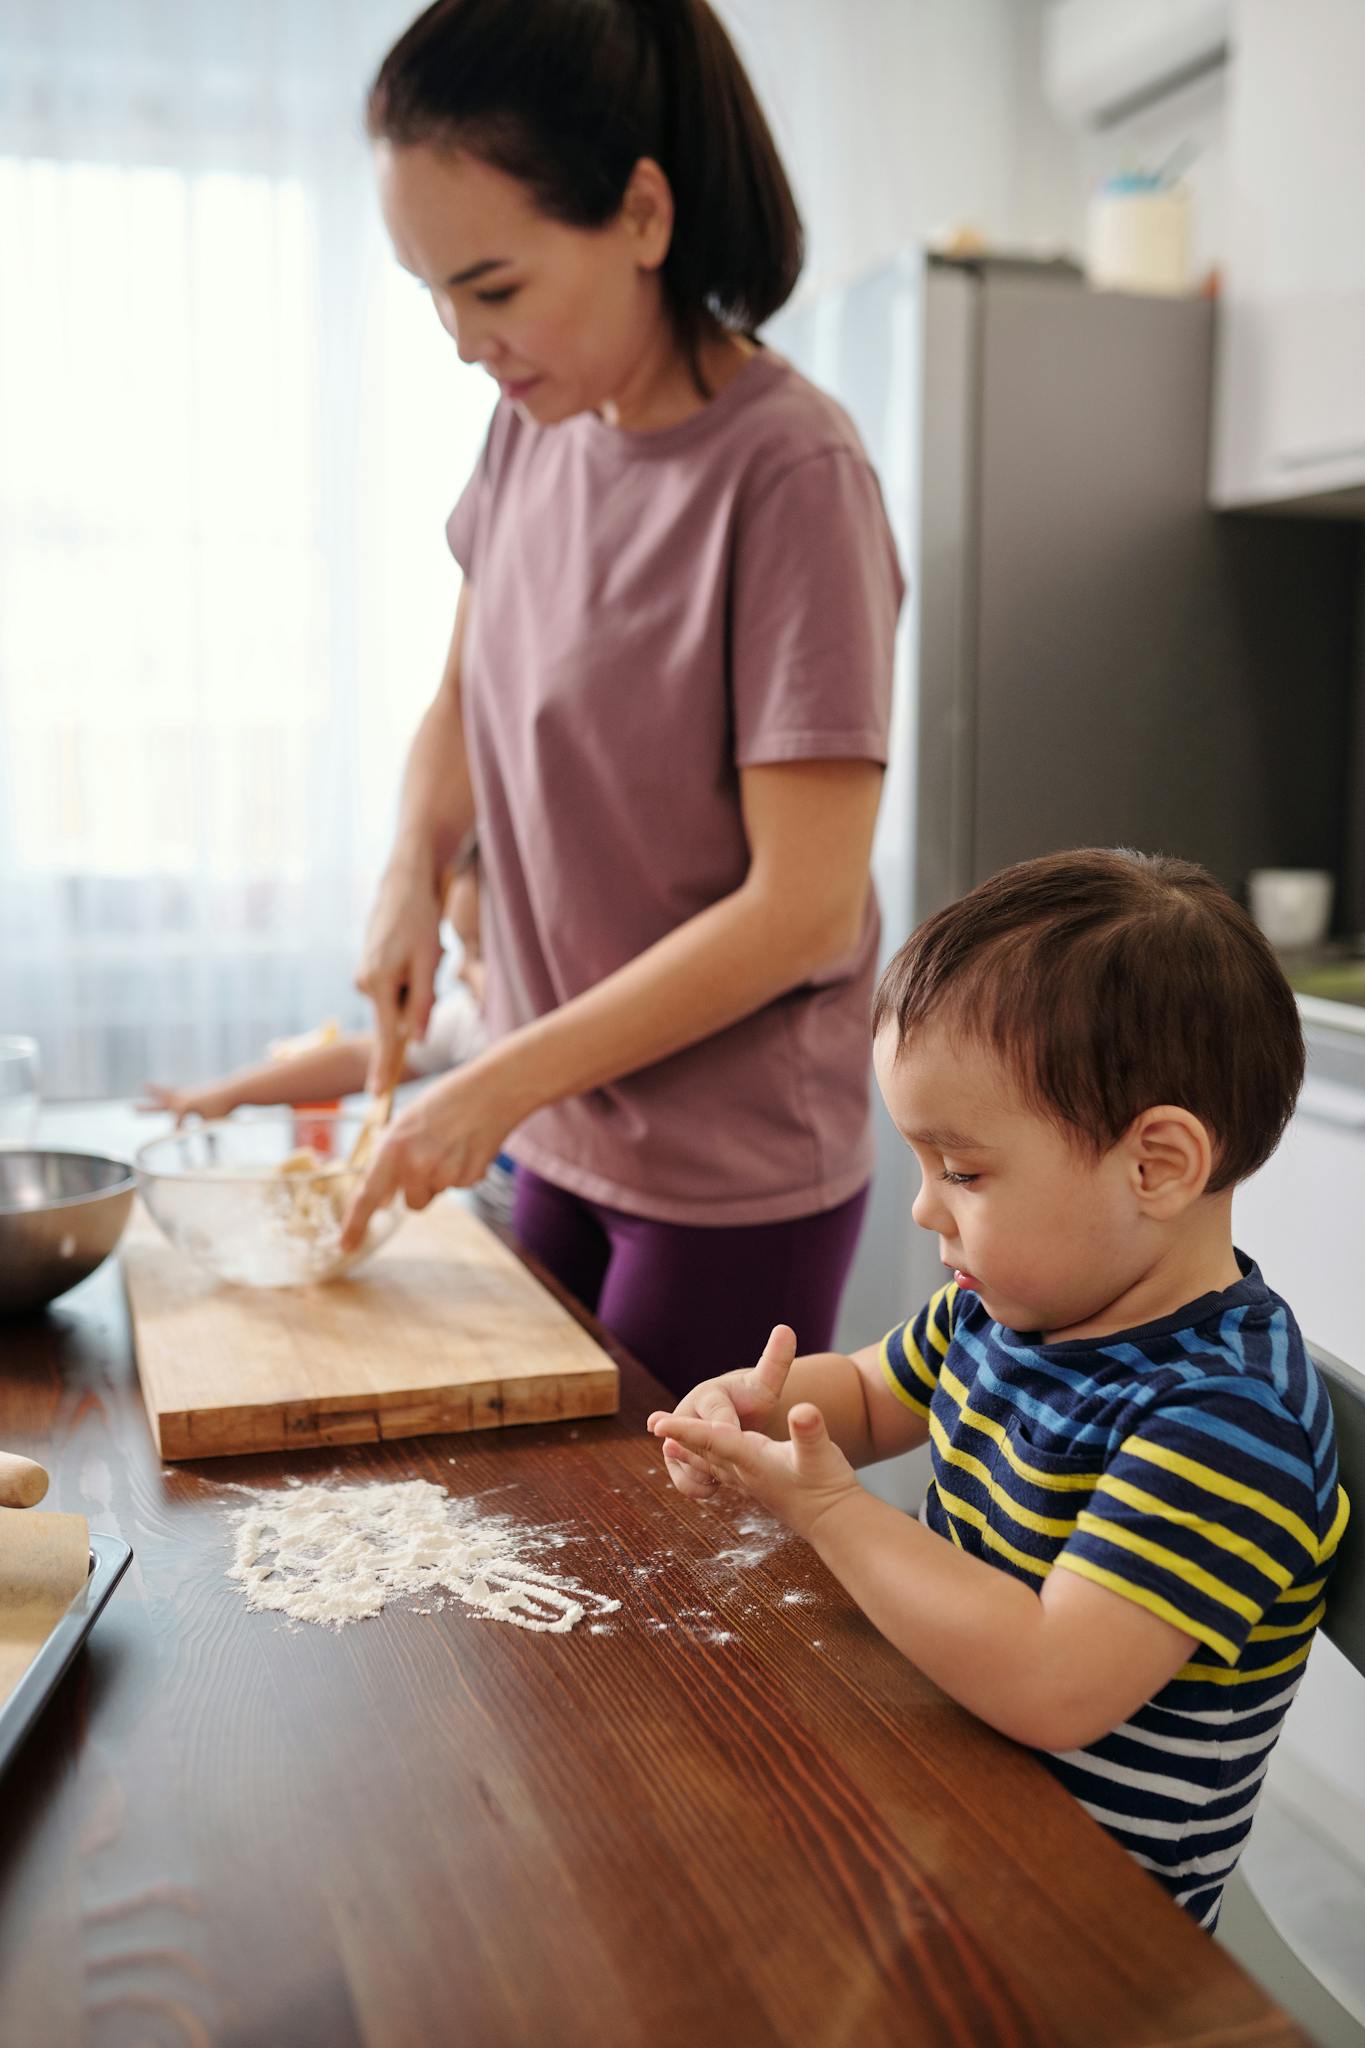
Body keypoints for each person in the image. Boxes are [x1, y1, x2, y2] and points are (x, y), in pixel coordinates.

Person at [341, 0, 905, 1396]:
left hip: (727, 1168)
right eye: (432, 296)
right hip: (559, 1120)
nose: (465, 342)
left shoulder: (790, 478)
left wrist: (494, 1080)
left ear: (643, 215)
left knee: (661, 1584)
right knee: (543, 1541)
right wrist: (411, 870)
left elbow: (806, 908)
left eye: (494, 287)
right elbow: (462, 703)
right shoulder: (529, 427)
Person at [650, 848, 1350, 1930]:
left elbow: (1052, 1680)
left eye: (963, 1171)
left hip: (1076, 1922)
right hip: (941, 1794)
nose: (927, 1208)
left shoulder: (1226, 1415)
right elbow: (877, 1394)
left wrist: (829, 1507)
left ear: (1155, 1164)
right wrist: (754, 1410)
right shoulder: (1007, 1308)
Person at [141, 846, 514, 1220]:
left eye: (479, 953)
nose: (459, 972)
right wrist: (227, 1095)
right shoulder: (468, 1017)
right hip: (496, 1224)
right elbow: (357, 1059)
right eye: (461, 947)